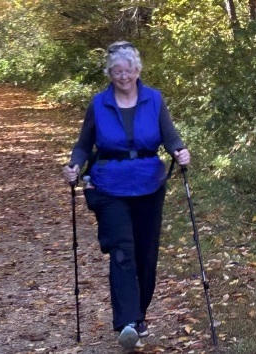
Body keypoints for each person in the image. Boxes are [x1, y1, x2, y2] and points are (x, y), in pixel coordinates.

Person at [63, 41, 190, 350]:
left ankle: (139, 314)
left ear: (137, 71)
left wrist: (180, 150)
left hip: (149, 183)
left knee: (146, 254)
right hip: (109, 186)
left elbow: (169, 135)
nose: (123, 76)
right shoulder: (99, 104)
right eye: (117, 71)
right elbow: (84, 144)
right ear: (110, 73)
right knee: (122, 251)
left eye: (128, 70)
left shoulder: (154, 99)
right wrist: (74, 165)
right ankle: (127, 322)